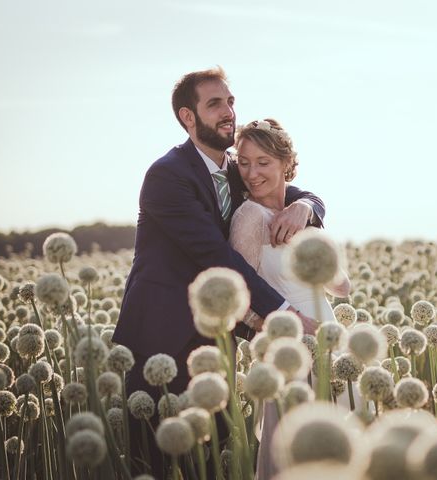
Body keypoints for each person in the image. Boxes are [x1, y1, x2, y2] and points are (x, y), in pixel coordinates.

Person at [111, 68, 326, 477]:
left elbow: (284, 184)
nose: (229, 112)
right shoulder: (167, 175)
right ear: (188, 118)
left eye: (230, 102)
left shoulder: (236, 168)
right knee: (161, 463)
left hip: (218, 345)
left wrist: (308, 206)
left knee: (216, 462)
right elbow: (215, 256)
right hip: (162, 340)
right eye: (215, 104)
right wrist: (284, 316)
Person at [229, 119, 352, 480]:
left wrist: (309, 224)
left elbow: (341, 287)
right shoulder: (248, 216)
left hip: (328, 335)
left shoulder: (303, 213)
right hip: (287, 349)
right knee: (295, 451)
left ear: (286, 163)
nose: (251, 173)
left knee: (341, 440)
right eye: (244, 162)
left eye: (263, 162)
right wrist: (286, 329)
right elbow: (242, 294)